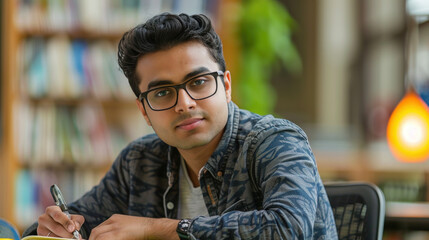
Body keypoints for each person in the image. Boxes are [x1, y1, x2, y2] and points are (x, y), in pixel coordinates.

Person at [23, 13, 338, 239]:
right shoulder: (140, 162)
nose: (185, 103)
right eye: (162, 93)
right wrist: (52, 229)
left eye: (199, 82)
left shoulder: (275, 141)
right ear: (144, 110)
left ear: (226, 86)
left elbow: (289, 229)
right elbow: (74, 222)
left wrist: (155, 229)